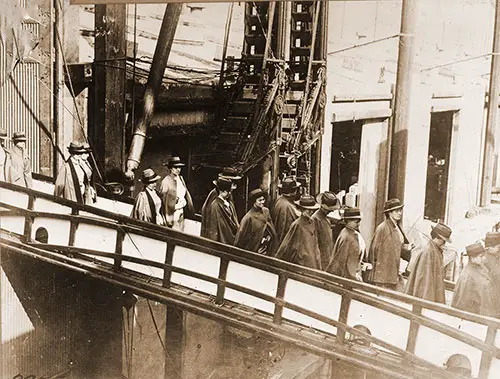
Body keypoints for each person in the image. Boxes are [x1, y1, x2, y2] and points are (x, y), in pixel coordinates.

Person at [367, 198, 412, 290]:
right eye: (396, 211)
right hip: (383, 275)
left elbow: (395, 246)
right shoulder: (382, 228)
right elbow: (374, 250)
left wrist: (405, 248)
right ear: (389, 213)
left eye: (400, 210)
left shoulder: (397, 227)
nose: (400, 213)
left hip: (394, 272)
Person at [405, 222, 452, 303]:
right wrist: (427, 303)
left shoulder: (435, 250)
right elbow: (425, 282)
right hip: (426, 298)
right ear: (437, 238)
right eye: (443, 241)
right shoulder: (428, 252)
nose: (444, 243)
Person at [274, 194, 322, 270]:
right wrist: (276, 263)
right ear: (301, 209)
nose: (310, 212)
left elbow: (315, 245)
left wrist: (318, 264)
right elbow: (286, 245)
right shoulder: (297, 225)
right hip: (301, 265)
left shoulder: (313, 223)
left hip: (313, 263)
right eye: (308, 209)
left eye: (312, 210)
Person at [451, 243, 496, 317]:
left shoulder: (480, 267)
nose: (484, 258)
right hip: (475, 315)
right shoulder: (467, 276)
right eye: (481, 256)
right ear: (472, 258)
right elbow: (462, 302)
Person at [326, 207, 367, 281]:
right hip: (349, 277)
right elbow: (340, 260)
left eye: (359, 221)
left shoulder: (351, 233)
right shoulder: (346, 237)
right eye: (356, 222)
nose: (359, 224)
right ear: (348, 221)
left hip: (353, 274)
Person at [234, 188, 278, 255]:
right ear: (254, 202)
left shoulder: (266, 211)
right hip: (255, 251)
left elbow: (271, 229)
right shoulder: (248, 218)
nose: (262, 202)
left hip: (267, 248)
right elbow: (240, 237)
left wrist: (269, 237)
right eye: (259, 200)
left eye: (263, 199)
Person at [200, 168, 240, 238]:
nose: (235, 185)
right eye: (232, 181)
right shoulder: (215, 194)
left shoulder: (229, 194)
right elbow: (209, 214)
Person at [158, 156, 194, 231]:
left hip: (181, 211)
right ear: (170, 168)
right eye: (176, 167)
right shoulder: (166, 182)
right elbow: (164, 201)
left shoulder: (180, 179)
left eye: (179, 167)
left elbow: (185, 194)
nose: (178, 169)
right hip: (172, 214)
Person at [312, 191, 340, 270]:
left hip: (328, 256)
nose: (332, 211)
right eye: (329, 209)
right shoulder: (315, 219)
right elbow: (314, 244)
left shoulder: (326, 218)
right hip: (321, 259)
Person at [271, 177, 301, 242]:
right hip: (284, 241)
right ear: (294, 191)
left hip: (277, 239)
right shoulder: (288, 206)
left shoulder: (279, 200)